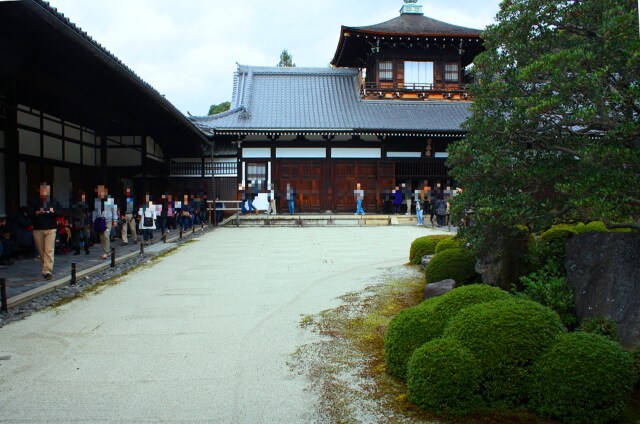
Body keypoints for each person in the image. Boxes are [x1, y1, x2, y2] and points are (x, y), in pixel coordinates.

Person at [32, 183, 58, 280]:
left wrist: (53, 211)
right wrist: (38, 212)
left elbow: (59, 212)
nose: (45, 192)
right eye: (43, 190)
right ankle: (45, 268)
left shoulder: (53, 201)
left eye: (46, 190)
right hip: (38, 228)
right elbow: (30, 213)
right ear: (40, 191)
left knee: (49, 250)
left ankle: (47, 271)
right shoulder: (35, 201)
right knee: (41, 250)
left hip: (51, 228)